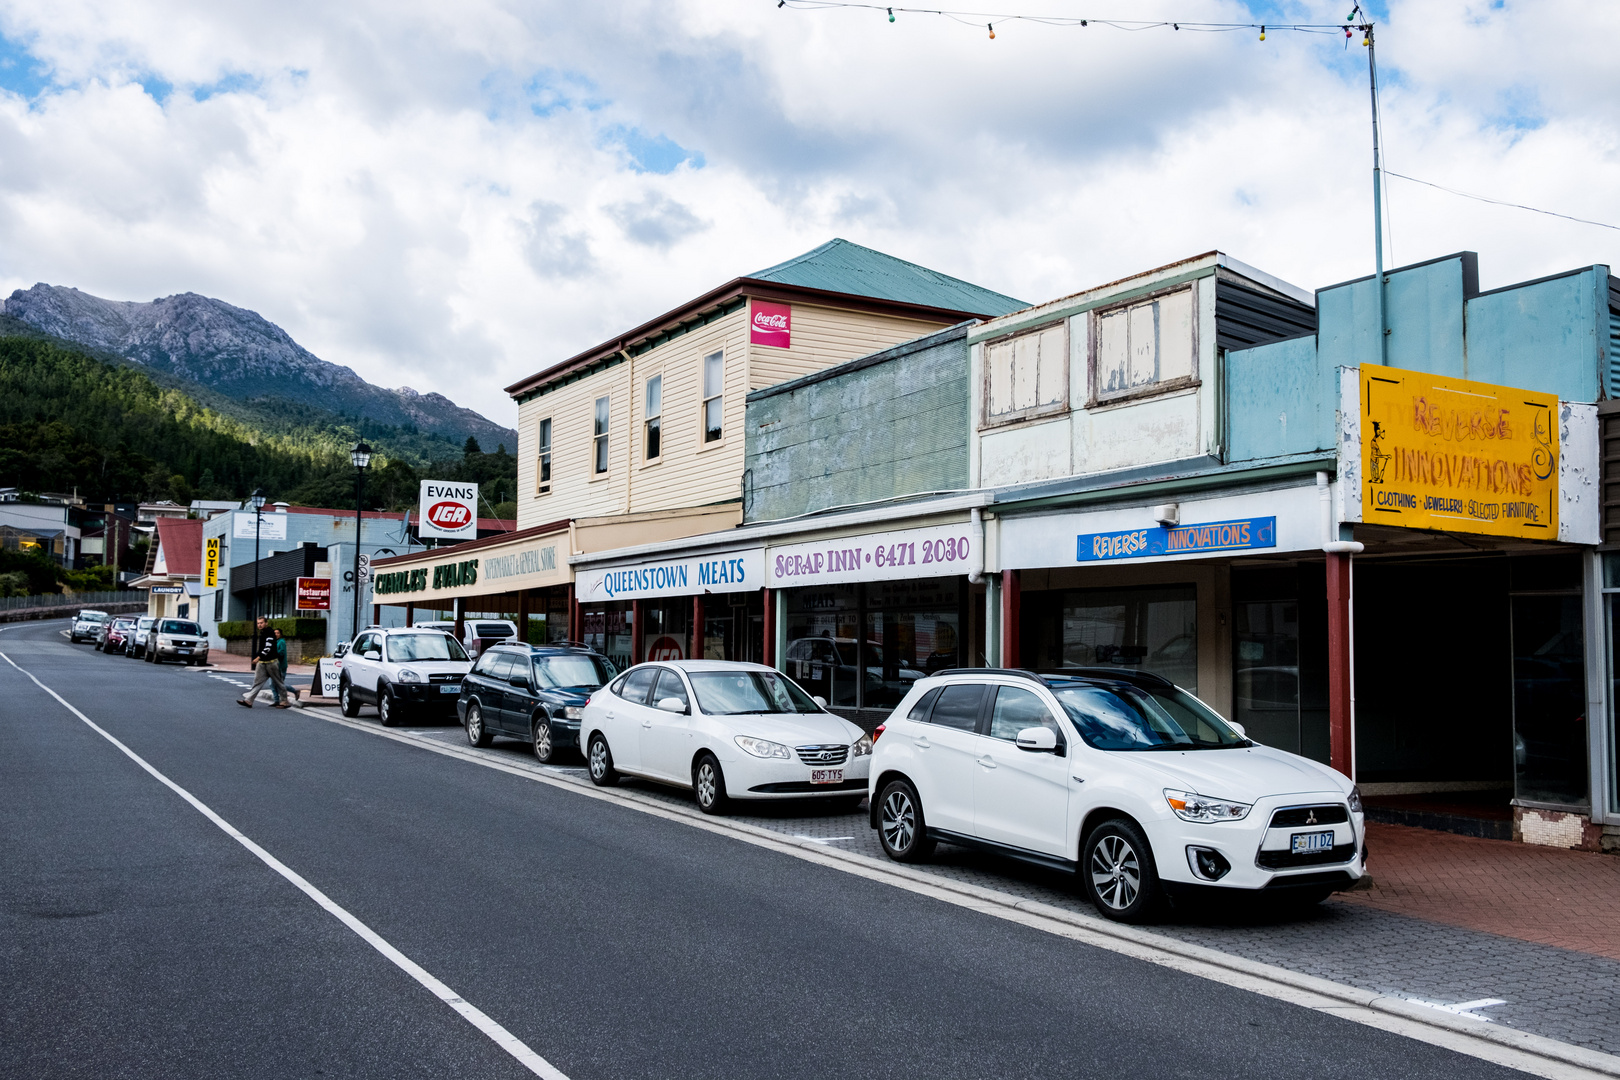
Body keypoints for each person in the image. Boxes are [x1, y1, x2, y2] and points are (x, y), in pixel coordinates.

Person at [238, 617, 290, 709]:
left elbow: (268, 647)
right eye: (258, 623)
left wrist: (258, 657)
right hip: (262, 663)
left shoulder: (270, 633)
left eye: (261, 623)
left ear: (266, 623)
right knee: (257, 682)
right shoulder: (263, 633)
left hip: (271, 662)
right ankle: (249, 701)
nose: (259, 625)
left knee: (278, 682)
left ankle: (284, 701)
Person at [275, 627, 300, 704]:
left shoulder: (281, 642)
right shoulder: (276, 641)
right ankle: (277, 700)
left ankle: (293, 691)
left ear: (281, 634)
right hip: (275, 666)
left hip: (281, 666)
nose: (276, 634)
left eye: (277, 633)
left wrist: (273, 654)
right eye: (274, 633)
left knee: (279, 684)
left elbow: (281, 653)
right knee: (273, 684)